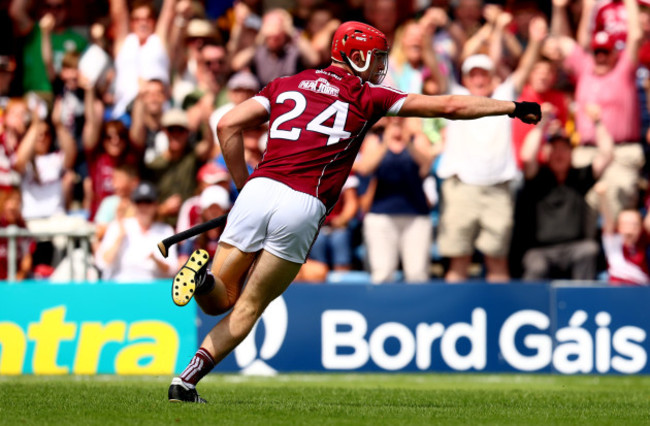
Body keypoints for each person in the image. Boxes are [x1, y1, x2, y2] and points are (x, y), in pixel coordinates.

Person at [167, 21, 541, 403]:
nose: (381, 67)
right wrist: (513, 107)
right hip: (303, 202)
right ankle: (186, 381)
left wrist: (244, 185)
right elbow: (451, 105)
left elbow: (227, 123)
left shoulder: (286, 83)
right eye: (377, 57)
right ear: (357, 54)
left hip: (259, 188)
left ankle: (201, 287)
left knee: (219, 296)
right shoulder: (368, 96)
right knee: (248, 305)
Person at [518, 104, 613, 281]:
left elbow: (607, 155)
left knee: (589, 250)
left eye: (564, 149)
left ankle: (583, 305)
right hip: (541, 250)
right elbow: (526, 156)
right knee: (535, 264)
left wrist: (598, 122)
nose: (559, 154)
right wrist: (542, 121)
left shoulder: (580, 177)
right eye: (554, 149)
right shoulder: (537, 177)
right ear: (546, 153)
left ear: (571, 153)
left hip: (575, 248)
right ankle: (529, 308)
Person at [95, 181, 177, 282]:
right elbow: (102, 263)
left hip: (153, 289)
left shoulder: (165, 230)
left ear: (155, 205)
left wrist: (155, 260)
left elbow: (173, 270)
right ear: (133, 205)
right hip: (121, 287)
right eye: (139, 202)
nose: (143, 207)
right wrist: (119, 238)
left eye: (148, 202)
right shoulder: (118, 226)